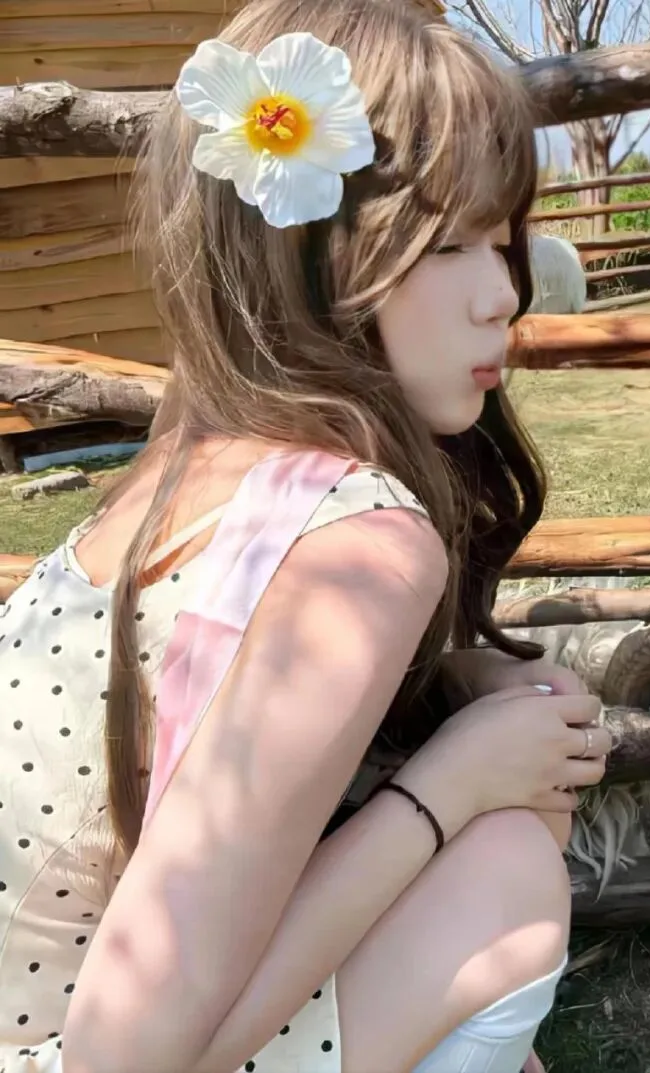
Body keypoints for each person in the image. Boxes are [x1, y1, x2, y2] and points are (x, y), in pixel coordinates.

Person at [0, 1, 614, 1070]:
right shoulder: (366, 546)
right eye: (448, 244)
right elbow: (119, 1054)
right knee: (507, 866)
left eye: (502, 240)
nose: (504, 294)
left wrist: (452, 685)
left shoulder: (192, 454)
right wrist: (450, 785)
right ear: (302, 258)